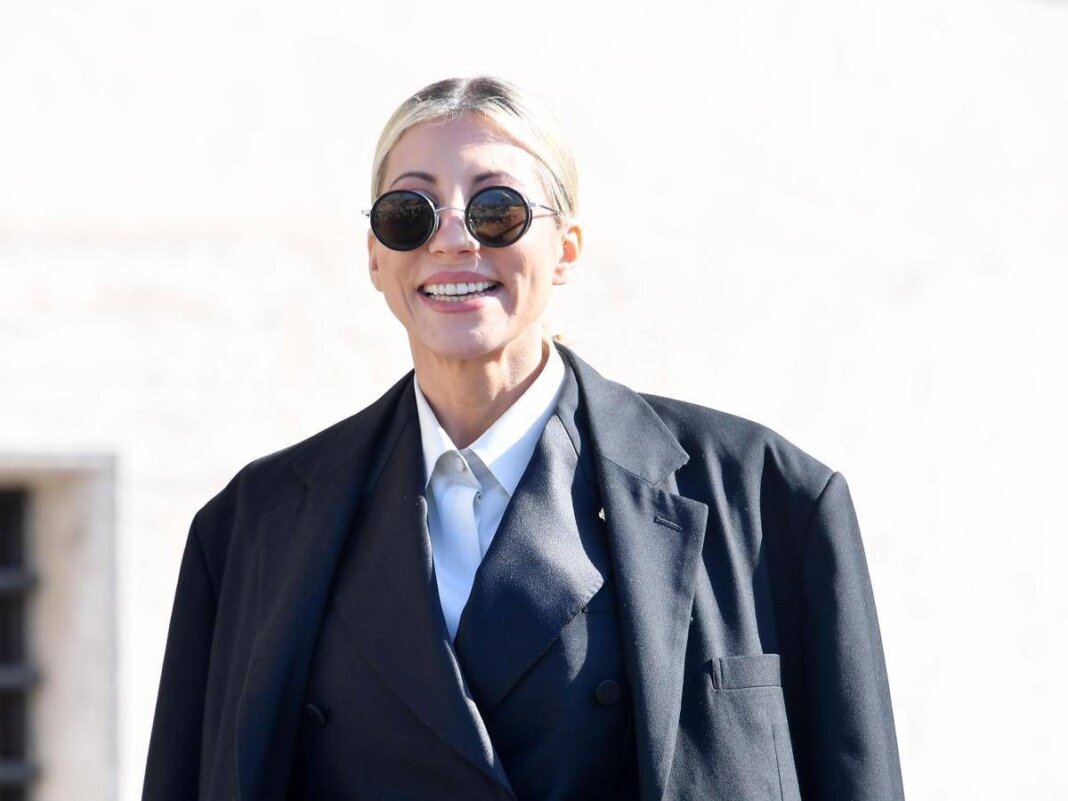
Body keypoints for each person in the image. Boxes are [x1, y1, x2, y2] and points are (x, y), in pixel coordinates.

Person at [142, 76, 905, 801]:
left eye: (496, 209)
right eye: (410, 212)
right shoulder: (250, 526)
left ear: (565, 248)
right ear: (375, 254)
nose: (452, 240)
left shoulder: (772, 499)